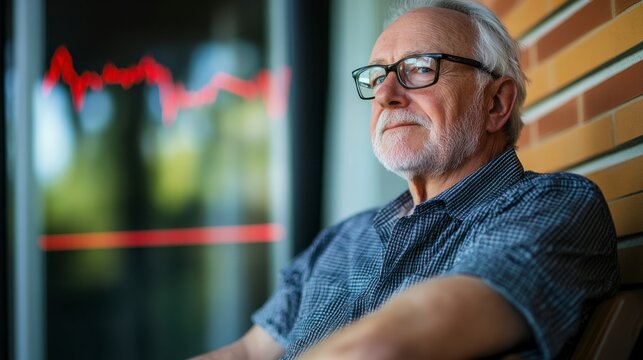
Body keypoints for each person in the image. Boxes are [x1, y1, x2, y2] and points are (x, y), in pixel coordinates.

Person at [193, 0, 619, 359]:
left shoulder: (552, 205)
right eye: (378, 75)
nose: (384, 94)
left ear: (495, 103)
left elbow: (383, 347)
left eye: (419, 67)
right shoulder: (344, 237)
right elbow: (248, 352)